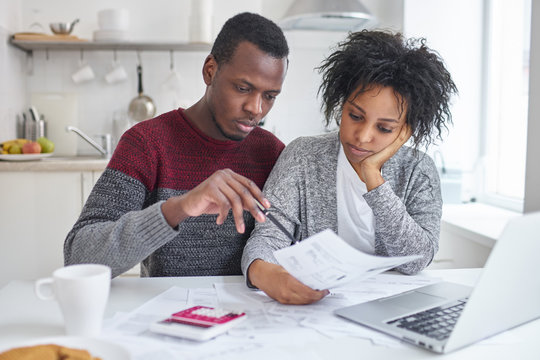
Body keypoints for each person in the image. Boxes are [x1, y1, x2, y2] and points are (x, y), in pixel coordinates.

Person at [64, 12, 289, 278]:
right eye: (242, 88)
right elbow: (79, 257)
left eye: (270, 96)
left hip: (253, 313)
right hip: (166, 313)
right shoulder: (146, 143)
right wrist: (180, 207)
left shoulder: (273, 153)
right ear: (210, 70)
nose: (256, 108)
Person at [241, 30, 457, 304]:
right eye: (355, 116)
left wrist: (373, 178)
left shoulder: (419, 170)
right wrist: (262, 273)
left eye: (384, 128)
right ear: (341, 105)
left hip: (391, 308)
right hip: (316, 307)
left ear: (405, 131)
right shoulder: (303, 156)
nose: (362, 136)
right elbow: (269, 235)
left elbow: (417, 260)